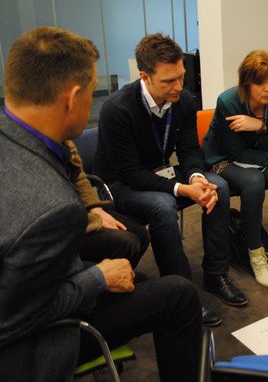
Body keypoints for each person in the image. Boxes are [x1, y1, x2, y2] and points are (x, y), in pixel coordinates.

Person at [0, 26, 202, 381]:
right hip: (30, 349)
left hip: (37, 276)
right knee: (179, 296)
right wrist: (96, 277)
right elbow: (12, 318)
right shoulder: (53, 208)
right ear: (74, 97)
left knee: (137, 271)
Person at [94, 33, 247, 325]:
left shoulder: (184, 101)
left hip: (158, 173)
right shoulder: (117, 109)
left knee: (219, 186)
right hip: (119, 185)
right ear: (145, 77)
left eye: (181, 77)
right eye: (169, 81)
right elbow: (130, 173)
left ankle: (216, 274)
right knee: (163, 206)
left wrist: (197, 178)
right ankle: (182, 293)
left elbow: (188, 150)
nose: (178, 86)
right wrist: (181, 188)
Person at [203, 50, 268, 288]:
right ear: (246, 84)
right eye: (260, 82)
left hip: (262, 154)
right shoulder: (228, 102)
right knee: (254, 183)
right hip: (225, 158)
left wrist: (259, 126)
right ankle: (256, 254)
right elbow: (237, 153)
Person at [73, 145, 150, 267]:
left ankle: (122, 273)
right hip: (63, 223)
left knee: (141, 235)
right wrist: (91, 219)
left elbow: (79, 178)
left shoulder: (64, 143)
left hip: (80, 206)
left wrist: (95, 209)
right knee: (127, 242)